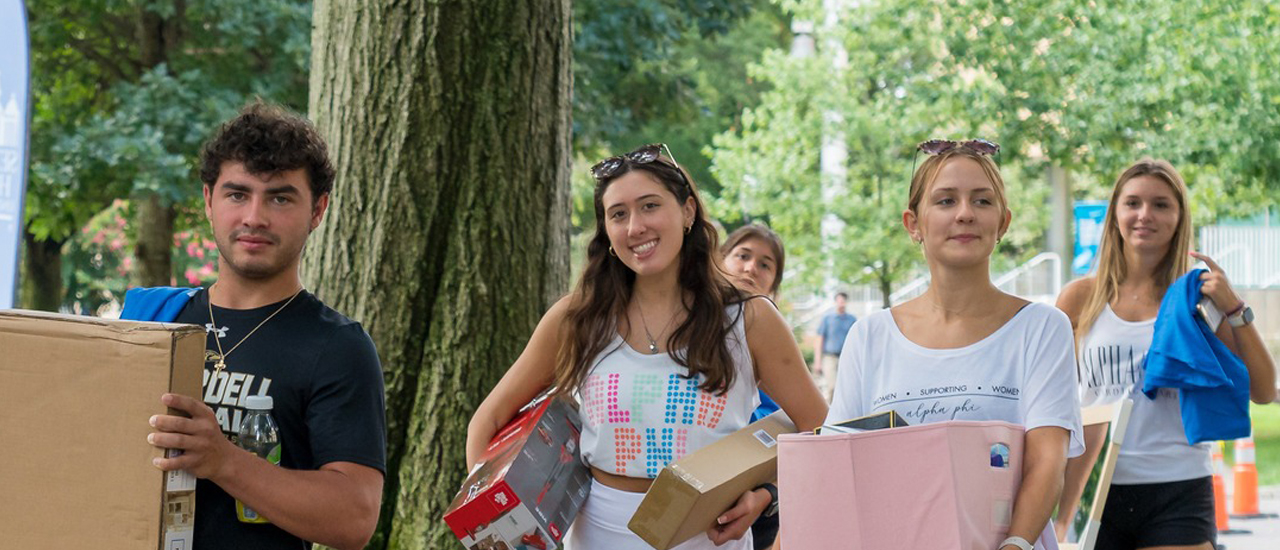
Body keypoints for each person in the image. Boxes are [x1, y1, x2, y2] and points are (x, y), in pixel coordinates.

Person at [466, 143, 827, 550]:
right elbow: (488, 420)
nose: (635, 227)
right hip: (596, 535)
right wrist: (502, 529)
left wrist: (765, 493)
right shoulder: (577, 318)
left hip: (708, 539)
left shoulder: (750, 318)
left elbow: (820, 428)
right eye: (618, 214)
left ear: (688, 211)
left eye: (650, 206)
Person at [126, 103, 386, 550]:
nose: (254, 217)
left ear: (318, 210)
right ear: (209, 201)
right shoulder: (151, 321)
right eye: (237, 194)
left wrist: (224, 460)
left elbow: (355, 517)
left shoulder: (337, 346)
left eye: (280, 198)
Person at [828, 139, 1084, 550]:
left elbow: (1047, 462)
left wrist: (1015, 544)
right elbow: (838, 465)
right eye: (946, 201)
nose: (965, 214)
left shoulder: (1041, 328)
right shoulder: (870, 336)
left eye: (982, 202)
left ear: (1003, 222)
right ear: (914, 223)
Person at [1052, 159, 1277, 550]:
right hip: (1095, 489)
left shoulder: (1198, 300)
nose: (1145, 215)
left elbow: (1264, 390)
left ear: (1178, 216)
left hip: (1179, 487)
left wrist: (1234, 308)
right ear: (1115, 215)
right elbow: (1054, 401)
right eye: (1133, 203)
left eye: (1160, 204)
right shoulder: (1079, 298)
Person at [720, 223, 787, 550]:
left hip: (755, 506)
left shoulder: (773, 340)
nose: (751, 268)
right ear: (720, 260)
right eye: (742, 256)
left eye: (765, 264)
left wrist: (768, 494)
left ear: (774, 282)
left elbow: (809, 427)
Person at [815, 292, 856, 400]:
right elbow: (820, 339)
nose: (841, 304)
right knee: (832, 387)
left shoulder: (852, 319)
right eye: (839, 301)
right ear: (835, 302)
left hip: (846, 358)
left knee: (846, 388)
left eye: (843, 301)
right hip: (830, 357)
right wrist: (818, 361)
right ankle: (831, 413)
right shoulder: (828, 319)